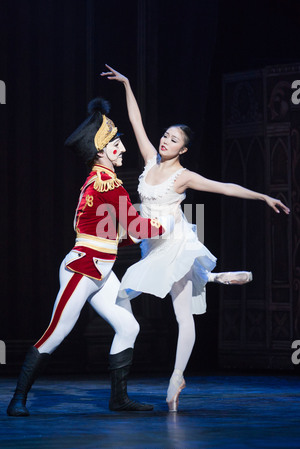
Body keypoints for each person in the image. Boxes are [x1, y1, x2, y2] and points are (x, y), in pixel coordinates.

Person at [101, 64, 290, 412]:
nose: (165, 140)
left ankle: (177, 376)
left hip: (176, 244)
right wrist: (127, 84)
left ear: (183, 149)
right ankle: (212, 276)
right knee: (125, 295)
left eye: (173, 139)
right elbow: (136, 122)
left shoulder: (184, 177)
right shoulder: (148, 160)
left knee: (174, 311)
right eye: (166, 136)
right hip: (151, 243)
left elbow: (225, 188)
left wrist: (263, 196)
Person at [7, 97, 167, 416]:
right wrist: (168, 223)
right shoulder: (107, 186)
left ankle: (118, 399)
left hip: (101, 271)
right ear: (103, 149)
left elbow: (113, 234)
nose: (122, 148)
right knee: (56, 333)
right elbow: (136, 225)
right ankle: (17, 399)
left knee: (128, 327)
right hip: (82, 270)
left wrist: (136, 233)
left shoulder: (101, 184)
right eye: (117, 143)